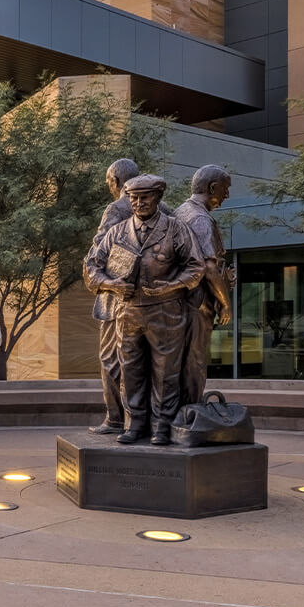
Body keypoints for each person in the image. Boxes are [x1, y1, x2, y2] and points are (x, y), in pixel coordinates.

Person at [84, 174, 204, 444]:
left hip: (166, 313)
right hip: (127, 313)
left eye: (145, 197)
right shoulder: (117, 231)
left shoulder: (175, 229)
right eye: (133, 198)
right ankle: (134, 424)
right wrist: (111, 285)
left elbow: (195, 267)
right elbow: (91, 267)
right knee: (130, 371)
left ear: (158, 198)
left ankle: (161, 427)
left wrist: (171, 287)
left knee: (166, 373)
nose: (138, 203)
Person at [84, 158, 140, 434]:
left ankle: (116, 418)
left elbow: (98, 252)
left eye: (108, 182)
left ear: (116, 182)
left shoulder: (116, 208)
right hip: (148, 301)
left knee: (110, 360)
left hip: (115, 297)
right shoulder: (164, 210)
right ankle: (139, 419)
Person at [174, 165, 234, 408]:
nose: (227, 195)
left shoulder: (180, 212)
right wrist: (226, 303)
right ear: (212, 188)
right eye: (225, 189)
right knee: (195, 360)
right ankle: (191, 413)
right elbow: (208, 268)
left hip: (182, 303)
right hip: (197, 304)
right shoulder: (199, 218)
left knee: (184, 360)